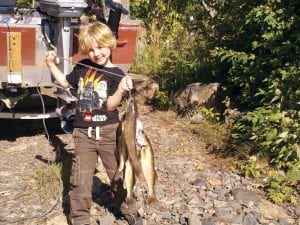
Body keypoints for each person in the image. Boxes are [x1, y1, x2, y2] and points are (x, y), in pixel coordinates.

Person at [45, 21, 142, 225]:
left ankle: (128, 208)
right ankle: (80, 219)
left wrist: (121, 90)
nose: (97, 53)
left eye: (100, 47)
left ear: (110, 44)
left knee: (118, 173)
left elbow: (110, 106)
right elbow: (64, 83)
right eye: (91, 50)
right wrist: (51, 64)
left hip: (109, 131)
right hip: (83, 133)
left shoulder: (118, 74)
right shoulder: (82, 67)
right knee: (80, 179)